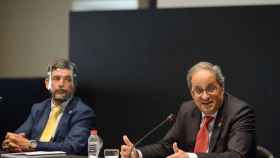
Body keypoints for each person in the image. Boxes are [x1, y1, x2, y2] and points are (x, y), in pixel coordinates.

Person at [120, 61, 256, 158]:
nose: (205, 96)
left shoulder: (239, 112)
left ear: (222, 88)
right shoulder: (187, 109)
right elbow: (167, 146)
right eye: (198, 90)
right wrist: (137, 153)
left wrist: (190, 157)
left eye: (211, 89)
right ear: (192, 94)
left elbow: (236, 155)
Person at [2, 59, 96, 155]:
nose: (61, 84)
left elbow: (71, 146)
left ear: (74, 85)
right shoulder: (38, 108)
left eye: (67, 79)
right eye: (56, 78)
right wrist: (12, 142)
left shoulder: (83, 112)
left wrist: (33, 145)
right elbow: (20, 135)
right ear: (47, 84)